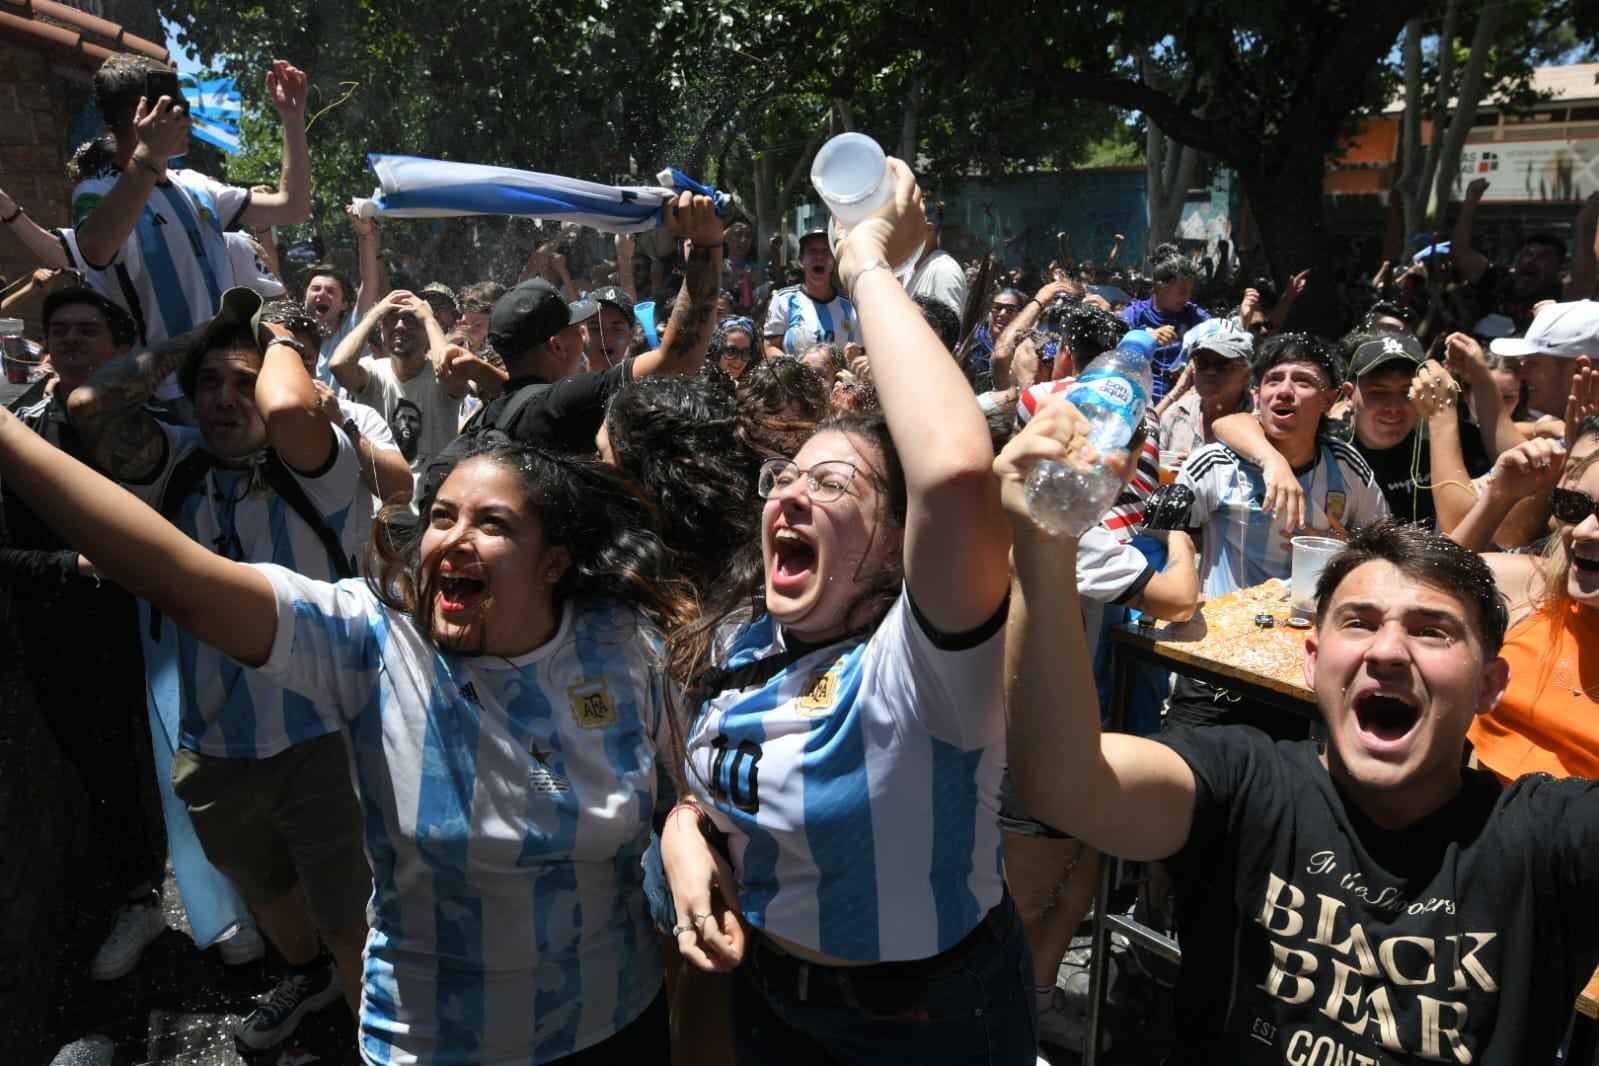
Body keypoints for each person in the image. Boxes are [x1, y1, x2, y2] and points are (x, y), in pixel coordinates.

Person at [0, 394, 688, 1062]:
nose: (454, 538)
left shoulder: (623, 645)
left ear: (555, 561)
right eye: (441, 515)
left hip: (615, 1025)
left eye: (495, 524)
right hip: (434, 1043)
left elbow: (690, 793)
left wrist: (682, 827)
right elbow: (173, 573)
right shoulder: (369, 638)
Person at [999, 388, 1599, 1063]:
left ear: (1490, 684)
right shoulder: (1249, 786)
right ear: (1310, 662)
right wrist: (1042, 552)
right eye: (1359, 622)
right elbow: (1063, 784)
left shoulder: (1543, 841)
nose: (1386, 650)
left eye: (1430, 631)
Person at [660, 159, 1035, 1065]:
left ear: (902, 539)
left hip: (921, 1024)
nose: (787, 496)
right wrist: (685, 832)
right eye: (782, 478)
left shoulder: (922, 667)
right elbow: (718, 787)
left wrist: (866, 260)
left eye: (831, 484)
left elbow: (950, 470)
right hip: (771, 1000)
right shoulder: (752, 632)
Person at [66, 288, 373, 1049]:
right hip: (213, 748)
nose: (228, 400)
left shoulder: (319, 470)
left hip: (321, 741)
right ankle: (306, 979)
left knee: (350, 920)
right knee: (268, 896)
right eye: (210, 383)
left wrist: (273, 338)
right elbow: (89, 402)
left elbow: (297, 414)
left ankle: (376, 1038)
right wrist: (212, 327)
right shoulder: (169, 466)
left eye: (246, 381)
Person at [0, 288, 180, 981]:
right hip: (69, 639)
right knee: (105, 777)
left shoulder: (162, 432)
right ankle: (140, 900)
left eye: (88, 330)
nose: (72, 340)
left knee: (197, 763)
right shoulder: (22, 434)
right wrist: (71, 565)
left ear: (121, 349)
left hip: (162, 629)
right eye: (61, 331)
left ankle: (237, 900)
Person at [71, 56, 311, 411]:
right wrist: (149, 150)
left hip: (225, 385)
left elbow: (293, 207)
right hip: (162, 399)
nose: (188, 116)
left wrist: (292, 119)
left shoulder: (196, 186)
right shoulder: (96, 191)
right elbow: (96, 247)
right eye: (177, 103)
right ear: (146, 111)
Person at [1448, 424, 1599, 782]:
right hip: (1475, 826)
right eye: (1575, 507)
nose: (1582, 530)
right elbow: (1418, 584)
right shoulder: (1535, 590)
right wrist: (1499, 496)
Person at [329, 289, 505, 487]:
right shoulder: (373, 373)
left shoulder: (440, 377)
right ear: (381, 331)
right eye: (391, 320)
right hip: (383, 509)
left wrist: (429, 318)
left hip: (430, 506)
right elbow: (338, 365)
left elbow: (447, 369)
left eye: (412, 320)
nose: (400, 326)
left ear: (427, 329)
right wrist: (376, 313)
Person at [1451, 177, 1569, 330]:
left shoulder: (1562, 297)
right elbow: (1460, 252)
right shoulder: (1497, 280)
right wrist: (1471, 200)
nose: (1531, 261)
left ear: (1557, 267)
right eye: (1527, 253)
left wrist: (1584, 223)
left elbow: (1585, 278)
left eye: (1543, 257)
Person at [1119, 245, 1209, 402]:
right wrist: (1147, 339)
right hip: (1137, 396)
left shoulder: (1193, 314)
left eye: (1190, 291)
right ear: (1161, 286)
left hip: (1180, 399)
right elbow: (1114, 350)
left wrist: (1244, 318)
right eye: (1182, 291)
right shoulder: (1135, 313)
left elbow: (1222, 335)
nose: (1187, 297)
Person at [1155, 318, 1254, 460]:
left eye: (1222, 364)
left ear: (1246, 376)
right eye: (1202, 363)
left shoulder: (1260, 419)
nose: (1210, 371)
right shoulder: (1177, 413)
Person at [763, 229, 859, 359]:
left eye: (826, 251)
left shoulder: (849, 305)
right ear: (801, 261)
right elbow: (770, 347)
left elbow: (861, 351)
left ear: (834, 262)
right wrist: (795, 372)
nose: (819, 256)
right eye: (812, 251)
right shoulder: (784, 299)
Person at [712, 316, 759, 382]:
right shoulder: (699, 384)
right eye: (731, 351)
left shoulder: (744, 390)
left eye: (745, 353)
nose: (738, 360)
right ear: (717, 350)